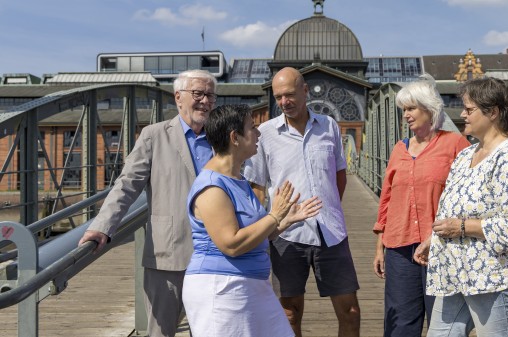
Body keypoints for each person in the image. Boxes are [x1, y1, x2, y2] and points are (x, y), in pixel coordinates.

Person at [78, 69, 217, 337]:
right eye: (198, 93)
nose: (205, 101)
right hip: (169, 253)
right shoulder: (154, 136)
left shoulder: (221, 137)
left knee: (212, 330)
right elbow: (127, 185)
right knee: (161, 331)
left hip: (216, 253)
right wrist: (103, 226)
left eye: (210, 95)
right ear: (178, 97)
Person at [413, 77, 508, 337]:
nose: (462, 115)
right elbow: (452, 209)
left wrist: (459, 227)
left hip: (495, 279)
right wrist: (434, 239)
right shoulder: (465, 155)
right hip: (456, 274)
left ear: (492, 112)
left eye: (469, 110)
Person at [182, 104, 322, 337]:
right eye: (252, 128)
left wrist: (284, 222)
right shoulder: (211, 187)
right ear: (234, 137)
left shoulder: (239, 179)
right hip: (222, 289)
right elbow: (232, 244)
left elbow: (256, 235)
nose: (259, 134)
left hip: (252, 287)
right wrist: (273, 215)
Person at [244, 67, 361, 337]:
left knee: (350, 312)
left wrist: (330, 207)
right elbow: (257, 188)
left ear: (305, 91)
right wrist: (265, 229)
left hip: (331, 232)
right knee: (289, 314)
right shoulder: (265, 133)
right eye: (278, 97)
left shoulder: (329, 126)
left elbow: (339, 175)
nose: (284, 102)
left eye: (289, 94)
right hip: (286, 234)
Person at [372, 74, 470, 337]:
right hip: (399, 247)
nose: (406, 115)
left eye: (412, 108)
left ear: (430, 108)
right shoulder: (399, 149)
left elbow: (470, 193)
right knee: (401, 325)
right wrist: (379, 247)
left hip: (441, 246)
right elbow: (387, 200)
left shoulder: (455, 144)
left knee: (443, 323)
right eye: (404, 110)